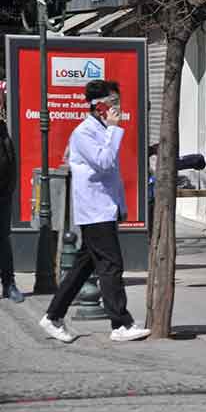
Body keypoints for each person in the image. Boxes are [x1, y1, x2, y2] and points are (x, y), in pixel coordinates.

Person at [39, 79, 151, 343]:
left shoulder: (101, 130)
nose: (117, 108)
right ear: (98, 106)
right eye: (112, 103)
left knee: (82, 267)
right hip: (94, 211)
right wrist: (113, 130)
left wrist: (120, 208)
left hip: (104, 209)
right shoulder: (84, 133)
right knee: (112, 265)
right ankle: (121, 324)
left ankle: (53, 316)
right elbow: (103, 162)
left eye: (117, 102)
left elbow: (111, 175)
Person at [0, 80, 24, 302]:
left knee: (3, 239)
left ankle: (9, 284)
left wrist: (9, 189)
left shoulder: (2, 129)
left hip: (2, 194)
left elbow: (10, 158)